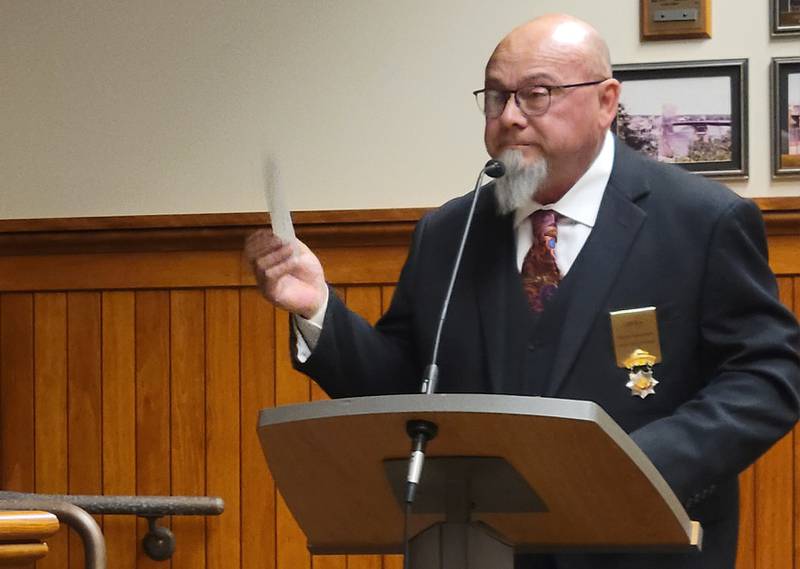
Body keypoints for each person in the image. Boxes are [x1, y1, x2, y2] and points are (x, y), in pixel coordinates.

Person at [245, 14, 800, 569]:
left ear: (606, 101)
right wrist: (318, 308)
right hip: (477, 547)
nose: (509, 117)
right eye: (495, 97)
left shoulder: (702, 222)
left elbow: (768, 375)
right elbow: (403, 387)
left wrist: (638, 466)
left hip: (643, 546)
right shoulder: (449, 233)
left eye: (536, 95)